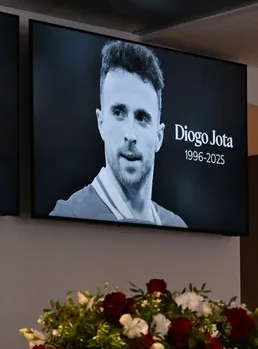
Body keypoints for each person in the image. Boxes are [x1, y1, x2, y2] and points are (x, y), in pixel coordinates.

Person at [50, 40, 186, 228]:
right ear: (101, 124)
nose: (130, 135)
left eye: (141, 117)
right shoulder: (67, 217)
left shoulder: (177, 226)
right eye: (118, 113)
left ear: (159, 137)